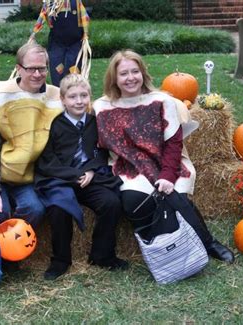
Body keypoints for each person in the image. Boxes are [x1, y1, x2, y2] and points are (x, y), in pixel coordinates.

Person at [93, 50, 235, 263]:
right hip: (128, 166)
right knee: (133, 202)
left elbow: (173, 144)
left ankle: (206, 242)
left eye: (135, 71)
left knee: (170, 194)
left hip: (166, 162)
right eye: (124, 73)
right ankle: (163, 251)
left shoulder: (161, 101)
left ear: (143, 73)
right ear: (114, 78)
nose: (130, 77)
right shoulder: (102, 107)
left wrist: (168, 176)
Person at [35, 73, 128, 280]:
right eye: (73, 97)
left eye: (84, 96)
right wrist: (74, 174)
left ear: (90, 97)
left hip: (90, 178)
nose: (79, 101)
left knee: (111, 202)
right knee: (59, 209)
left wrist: (92, 170)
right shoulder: (54, 125)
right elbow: (47, 160)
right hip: (61, 179)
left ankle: (102, 255)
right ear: (63, 100)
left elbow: (103, 151)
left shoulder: (95, 122)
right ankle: (60, 260)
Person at [0, 43, 63, 231]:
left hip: (27, 177)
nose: (37, 74)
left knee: (35, 209)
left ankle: (12, 247)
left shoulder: (55, 99)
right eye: (31, 68)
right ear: (18, 68)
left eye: (42, 68)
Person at [30, 0, 90, 87]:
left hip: (75, 42)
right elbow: (42, 17)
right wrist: (34, 33)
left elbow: (85, 17)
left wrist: (85, 34)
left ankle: (73, 89)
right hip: (57, 43)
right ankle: (58, 90)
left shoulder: (76, 2)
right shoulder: (50, 4)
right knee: (57, 66)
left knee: (73, 67)